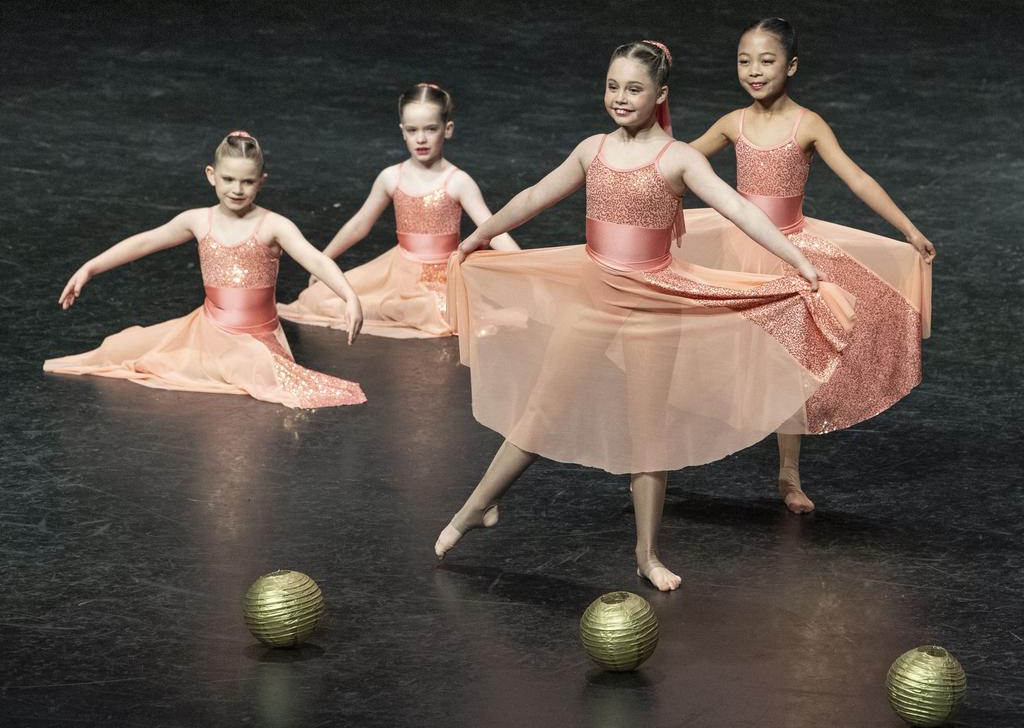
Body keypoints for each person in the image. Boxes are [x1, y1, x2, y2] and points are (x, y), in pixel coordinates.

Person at [435, 41, 856, 591]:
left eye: (634, 88)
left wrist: (798, 259)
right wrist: (477, 237)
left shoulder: (679, 158)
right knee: (543, 408)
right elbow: (534, 195)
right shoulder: (593, 150)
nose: (620, 97)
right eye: (613, 86)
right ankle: (476, 508)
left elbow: (741, 209)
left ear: (660, 95)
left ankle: (647, 553)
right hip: (592, 298)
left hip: (655, 306)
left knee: (647, 430)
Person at [682, 18, 933, 512]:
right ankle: (662, 460)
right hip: (740, 255)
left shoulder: (808, 124)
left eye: (767, 60)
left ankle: (789, 475)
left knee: (788, 367)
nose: (754, 71)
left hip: (791, 258)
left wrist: (908, 228)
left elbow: (856, 178)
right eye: (744, 61)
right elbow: (679, 159)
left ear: (791, 66)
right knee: (707, 354)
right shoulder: (734, 122)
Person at [44, 131, 366, 409]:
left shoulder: (274, 226)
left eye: (247, 181)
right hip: (207, 331)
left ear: (261, 182)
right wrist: (91, 267)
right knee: (119, 348)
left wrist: (349, 296)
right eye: (228, 179)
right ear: (211, 175)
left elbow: (315, 259)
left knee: (259, 370)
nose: (237, 189)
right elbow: (144, 243)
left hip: (256, 339)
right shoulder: (198, 221)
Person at [278, 83, 518, 338]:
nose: (421, 138)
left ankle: (413, 307)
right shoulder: (391, 177)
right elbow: (359, 225)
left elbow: (491, 228)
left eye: (430, 129)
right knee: (319, 297)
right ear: (403, 131)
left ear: (447, 130)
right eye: (413, 130)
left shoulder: (458, 181)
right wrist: (323, 263)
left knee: (437, 310)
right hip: (396, 271)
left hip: (441, 278)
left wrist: (524, 263)